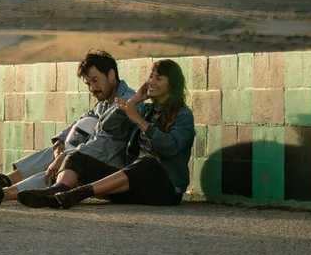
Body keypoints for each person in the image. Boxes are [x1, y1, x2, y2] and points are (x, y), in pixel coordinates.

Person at [29, 59, 196, 209]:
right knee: (75, 157)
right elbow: (108, 126)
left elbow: (170, 147)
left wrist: (140, 122)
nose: (151, 82)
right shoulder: (147, 110)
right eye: (150, 77)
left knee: (148, 164)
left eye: (158, 78)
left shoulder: (183, 115)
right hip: (133, 185)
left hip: (165, 191)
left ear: (172, 85)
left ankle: (76, 194)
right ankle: (58, 191)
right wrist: (134, 100)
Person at [9, 51, 138, 208]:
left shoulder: (126, 102)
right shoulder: (104, 102)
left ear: (111, 74)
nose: (92, 88)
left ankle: (4, 193)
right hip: (94, 161)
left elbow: (101, 145)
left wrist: (64, 157)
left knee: (68, 162)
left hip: (113, 175)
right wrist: (60, 142)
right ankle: (2, 183)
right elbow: (80, 122)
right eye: (88, 84)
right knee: (56, 153)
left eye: (95, 80)